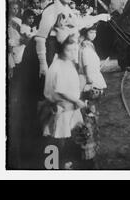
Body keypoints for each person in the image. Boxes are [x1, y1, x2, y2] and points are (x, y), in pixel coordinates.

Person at [10, 0, 110, 168]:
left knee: (66, 104)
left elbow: (79, 23)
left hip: (64, 55)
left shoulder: (67, 8)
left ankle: (64, 151)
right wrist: (43, 65)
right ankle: (49, 154)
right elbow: (40, 38)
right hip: (51, 53)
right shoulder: (51, 10)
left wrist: (100, 16)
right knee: (52, 102)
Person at [42, 36, 86, 169]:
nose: (73, 53)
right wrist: (77, 100)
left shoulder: (66, 62)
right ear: (61, 50)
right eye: (69, 50)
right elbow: (61, 90)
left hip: (68, 105)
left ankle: (64, 161)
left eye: (74, 49)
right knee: (60, 135)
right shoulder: (59, 65)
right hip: (63, 105)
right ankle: (57, 164)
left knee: (67, 134)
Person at [78, 24, 107, 167]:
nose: (94, 34)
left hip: (90, 82)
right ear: (85, 32)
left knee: (91, 117)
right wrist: (91, 83)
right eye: (91, 31)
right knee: (89, 118)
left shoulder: (87, 46)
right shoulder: (86, 49)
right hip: (89, 84)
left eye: (95, 31)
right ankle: (88, 154)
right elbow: (88, 70)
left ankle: (90, 151)